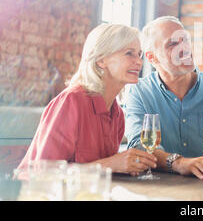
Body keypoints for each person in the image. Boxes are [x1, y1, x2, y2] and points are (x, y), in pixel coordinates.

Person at [17, 24, 157, 176]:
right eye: (129, 53)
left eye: (139, 54)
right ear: (101, 60)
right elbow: (43, 171)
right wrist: (109, 165)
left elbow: (101, 172)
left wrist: (125, 166)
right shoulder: (72, 101)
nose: (139, 62)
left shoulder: (116, 114)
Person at [125, 16, 203, 180]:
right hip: (159, 190)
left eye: (184, 40)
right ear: (152, 57)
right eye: (172, 44)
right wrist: (178, 163)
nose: (183, 48)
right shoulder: (139, 91)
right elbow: (138, 147)